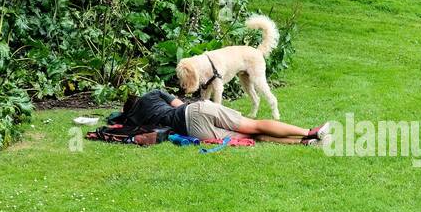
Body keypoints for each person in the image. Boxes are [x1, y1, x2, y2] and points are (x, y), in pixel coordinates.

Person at [121, 88, 332, 147]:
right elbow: (180, 105)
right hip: (193, 111)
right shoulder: (153, 94)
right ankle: (309, 132)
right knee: (255, 125)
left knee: (253, 136)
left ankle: (304, 143)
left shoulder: (133, 121)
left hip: (192, 132)